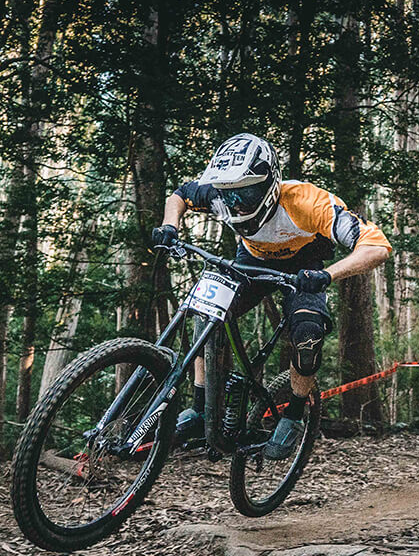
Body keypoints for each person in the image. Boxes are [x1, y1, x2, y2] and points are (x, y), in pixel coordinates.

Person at [152, 133, 391, 459]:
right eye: (229, 194)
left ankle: (294, 414)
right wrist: (170, 226)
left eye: (246, 192)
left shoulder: (308, 201)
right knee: (206, 312)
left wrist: (327, 275)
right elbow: (179, 195)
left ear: (269, 184)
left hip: (305, 268)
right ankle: (201, 408)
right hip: (253, 261)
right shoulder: (220, 192)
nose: (235, 202)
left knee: (308, 334)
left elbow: (376, 246)